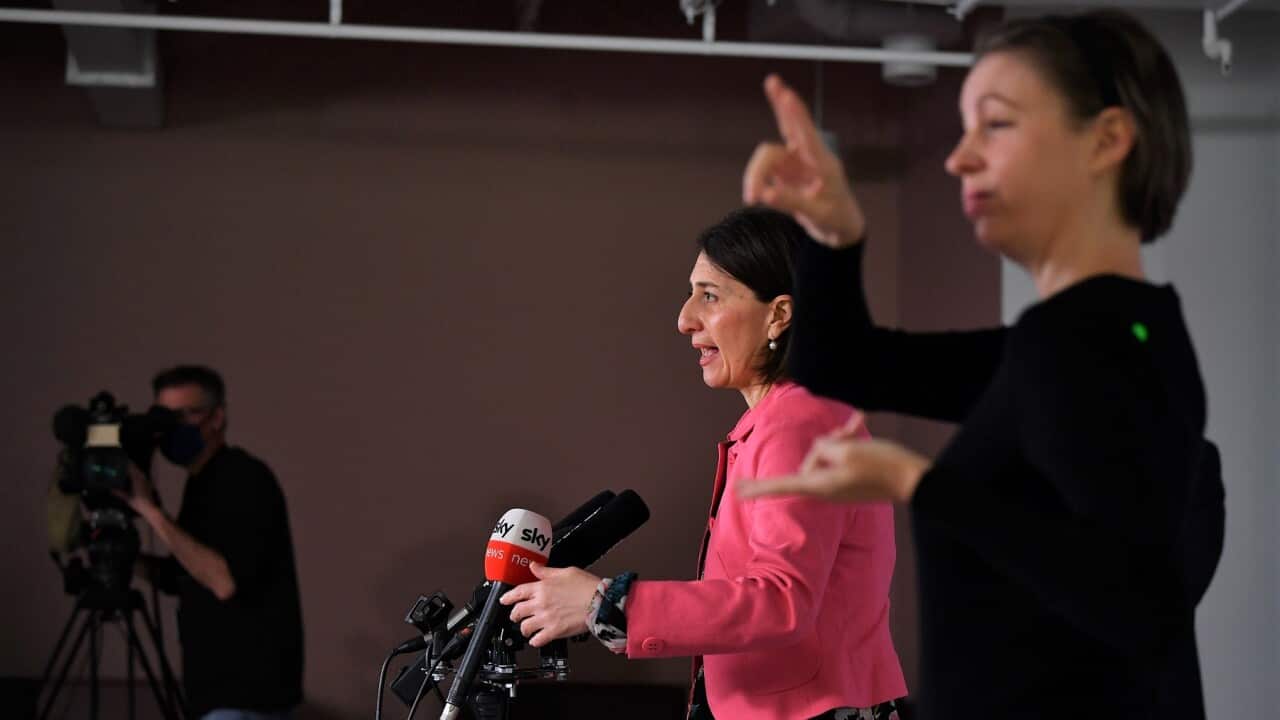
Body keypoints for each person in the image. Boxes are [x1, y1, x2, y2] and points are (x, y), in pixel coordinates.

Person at [738, 10, 1225, 720]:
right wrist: (831, 233)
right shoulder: (1081, 337)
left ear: (1108, 139)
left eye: (994, 124)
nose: (958, 157)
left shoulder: (1092, 344)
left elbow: (1138, 603)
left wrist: (919, 484)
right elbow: (848, 366)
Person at [499, 207, 907, 719]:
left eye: (709, 296)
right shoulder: (787, 420)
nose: (684, 318)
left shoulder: (801, 424)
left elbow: (781, 601)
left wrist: (603, 604)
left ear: (779, 315)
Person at [119, 365, 304, 720]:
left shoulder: (243, 477)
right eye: (165, 417)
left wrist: (149, 509)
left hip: (246, 698)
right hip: (215, 695)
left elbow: (222, 580)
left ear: (216, 417)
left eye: (185, 414)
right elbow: (182, 576)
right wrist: (120, 558)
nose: (172, 427)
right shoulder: (200, 485)